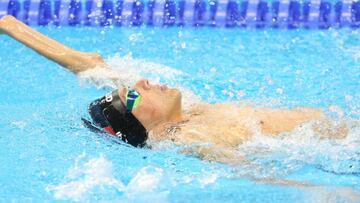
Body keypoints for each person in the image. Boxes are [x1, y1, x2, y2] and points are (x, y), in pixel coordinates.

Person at [0, 15, 349, 165]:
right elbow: (255, 174)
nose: (141, 83)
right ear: (146, 126)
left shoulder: (189, 112)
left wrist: (11, 26)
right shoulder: (186, 138)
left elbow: (89, 63)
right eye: (133, 95)